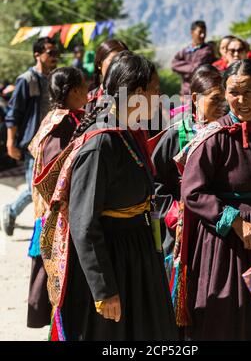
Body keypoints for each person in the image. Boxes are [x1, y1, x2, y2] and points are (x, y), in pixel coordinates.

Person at [38, 51, 177, 341]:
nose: (159, 95)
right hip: (114, 262)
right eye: (155, 90)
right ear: (138, 93)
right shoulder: (101, 144)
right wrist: (104, 290)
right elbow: (83, 225)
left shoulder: (126, 133)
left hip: (136, 254)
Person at [179, 59, 251, 341]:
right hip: (227, 250)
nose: (241, 101)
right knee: (229, 318)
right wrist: (236, 222)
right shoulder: (214, 138)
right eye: (233, 92)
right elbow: (193, 192)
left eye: (250, 92)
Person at [27, 67, 88, 329]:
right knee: (59, 283)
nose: (88, 91)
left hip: (56, 213)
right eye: (84, 86)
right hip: (58, 216)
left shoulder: (59, 119)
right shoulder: (61, 124)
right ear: (74, 91)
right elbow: (54, 172)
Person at [151, 65, 225, 259]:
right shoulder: (177, 134)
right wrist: (170, 210)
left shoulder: (229, 133)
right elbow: (153, 180)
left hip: (221, 225)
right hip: (182, 227)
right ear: (195, 99)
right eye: (215, 99)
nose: (222, 106)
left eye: (225, 100)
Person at [1, 38, 59, 236]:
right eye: (50, 53)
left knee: (46, 187)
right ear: (37, 54)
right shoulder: (27, 80)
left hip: (52, 143)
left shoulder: (54, 79)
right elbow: (13, 113)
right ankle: (11, 210)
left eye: (56, 53)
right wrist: (11, 142)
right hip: (31, 144)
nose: (55, 57)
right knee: (34, 187)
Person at [172, 21, 216, 97]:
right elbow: (174, 64)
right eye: (200, 32)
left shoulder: (207, 50)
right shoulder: (186, 50)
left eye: (204, 32)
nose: (203, 35)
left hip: (202, 92)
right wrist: (191, 68)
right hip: (185, 93)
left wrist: (184, 69)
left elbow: (197, 68)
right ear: (192, 32)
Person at [85, 39, 129, 113]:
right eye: (113, 60)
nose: (119, 65)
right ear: (99, 64)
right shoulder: (87, 100)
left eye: (123, 60)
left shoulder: (137, 98)